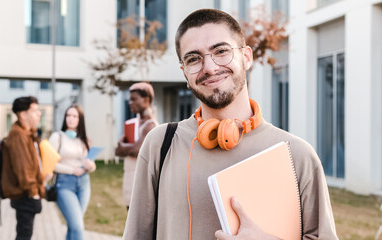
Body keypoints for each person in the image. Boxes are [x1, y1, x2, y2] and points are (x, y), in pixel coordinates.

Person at [123, 9, 338, 240]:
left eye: (221, 51)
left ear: (246, 57)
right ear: (184, 72)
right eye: (193, 58)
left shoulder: (297, 155)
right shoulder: (160, 144)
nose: (210, 67)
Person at [2, 96, 50, 240]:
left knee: (25, 233)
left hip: (27, 193)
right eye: (34, 110)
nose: (39, 114)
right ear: (23, 114)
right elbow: (23, 169)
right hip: (25, 195)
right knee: (24, 235)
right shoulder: (18, 136)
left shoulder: (27, 133)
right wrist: (33, 192)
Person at [48, 105, 96, 240]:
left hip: (84, 184)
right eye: (68, 115)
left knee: (73, 226)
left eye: (75, 116)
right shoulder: (57, 137)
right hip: (64, 184)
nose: (71, 119)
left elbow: (90, 165)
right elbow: (50, 164)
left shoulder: (85, 140)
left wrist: (90, 166)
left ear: (80, 119)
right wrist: (72, 170)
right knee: (77, 227)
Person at [115, 82, 158, 209]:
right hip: (130, 182)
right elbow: (118, 151)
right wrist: (125, 147)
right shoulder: (133, 124)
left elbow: (137, 150)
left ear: (146, 100)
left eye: (134, 99)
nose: (130, 103)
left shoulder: (150, 125)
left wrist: (124, 146)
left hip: (142, 185)